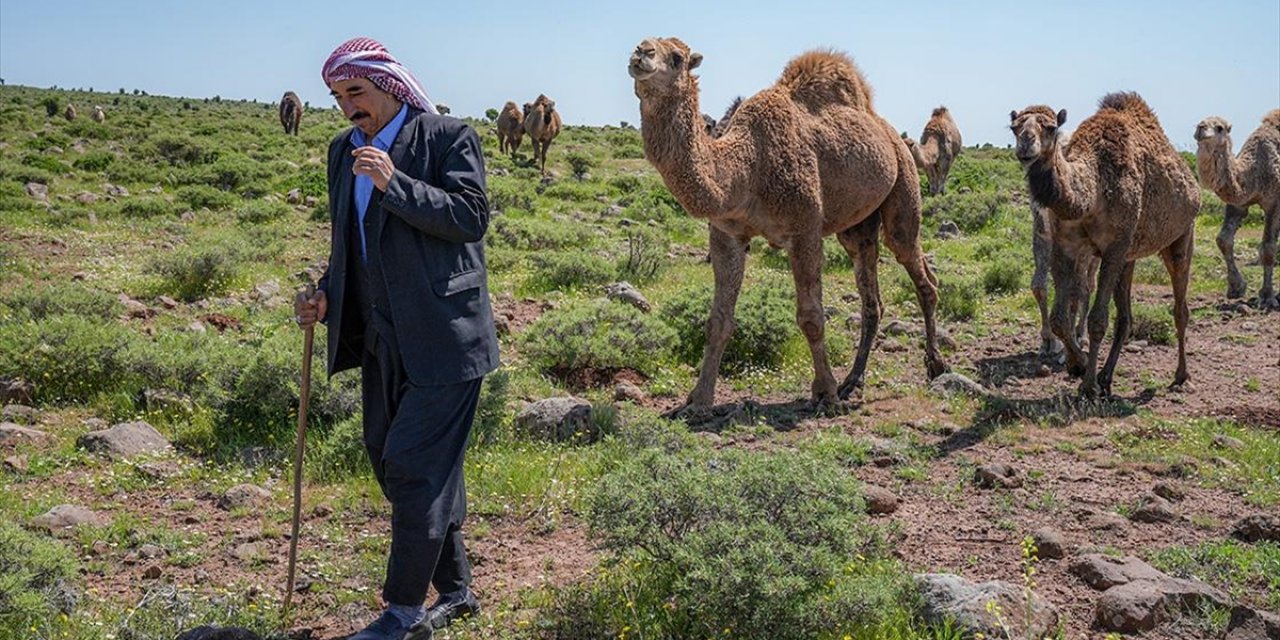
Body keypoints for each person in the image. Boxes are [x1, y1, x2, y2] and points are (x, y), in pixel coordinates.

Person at [295, 36, 498, 640]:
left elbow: (470, 217)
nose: (347, 108)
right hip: (382, 337)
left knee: (413, 467)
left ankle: (404, 612)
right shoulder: (342, 152)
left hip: (447, 336)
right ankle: (457, 591)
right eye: (337, 96)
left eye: (356, 92)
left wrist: (395, 184)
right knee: (395, 464)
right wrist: (327, 293)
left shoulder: (446, 137)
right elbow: (350, 242)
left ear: (390, 86)